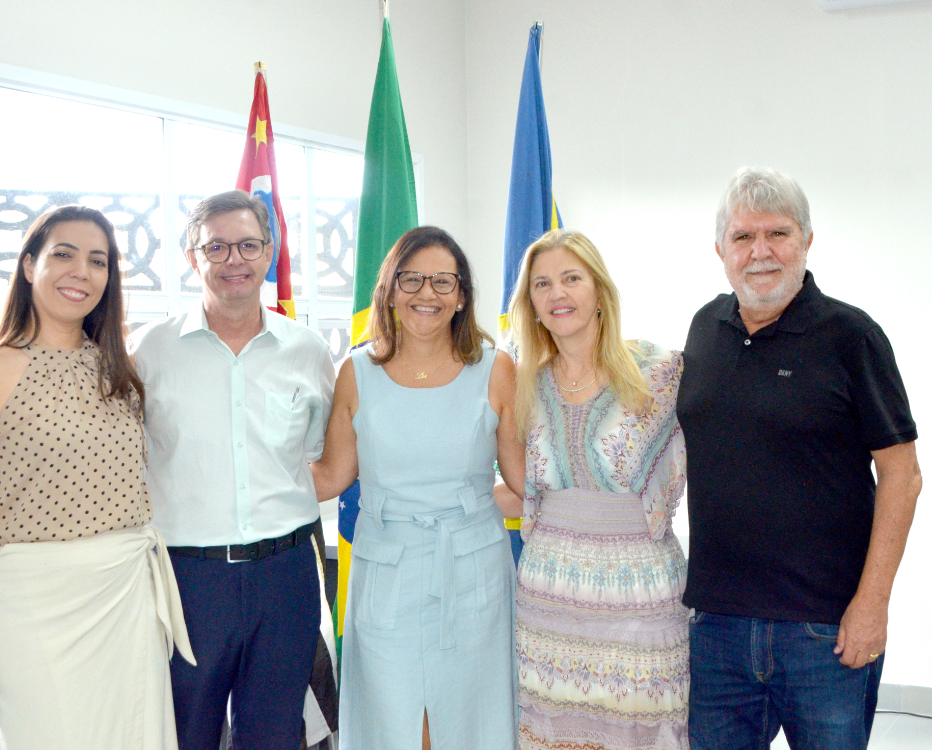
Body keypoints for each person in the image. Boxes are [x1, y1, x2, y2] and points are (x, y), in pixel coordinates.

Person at [0, 205, 194, 750]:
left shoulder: (123, 370)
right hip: (33, 610)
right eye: (64, 255)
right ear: (29, 266)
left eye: (98, 261)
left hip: (126, 601)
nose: (82, 272)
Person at [677, 167, 922, 749]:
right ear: (720, 250)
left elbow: (902, 477)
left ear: (807, 241)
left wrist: (873, 605)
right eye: (742, 237)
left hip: (826, 631)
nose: (760, 252)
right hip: (717, 630)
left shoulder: (851, 336)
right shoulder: (704, 328)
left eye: (778, 234)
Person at [129, 190, 335, 750]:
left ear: (269, 252)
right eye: (215, 247)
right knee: (185, 731)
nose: (233, 259)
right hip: (189, 580)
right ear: (192, 257)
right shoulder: (147, 352)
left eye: (247, 244)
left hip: (285, 574)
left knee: (272, 734)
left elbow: (313, 456)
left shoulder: (309, 350)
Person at [310, 226, 525, 750]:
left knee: (473, 718)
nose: (427, 294)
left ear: (462, 296)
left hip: (472, 564)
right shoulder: (356, 371)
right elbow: (331, 477)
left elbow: (525, 484)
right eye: (412, 279)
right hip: (387, 566)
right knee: (393, 720)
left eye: (442, 282)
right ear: (389, 288)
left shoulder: (495, 368)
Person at [507, 228, 689, 750]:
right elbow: (519, 489)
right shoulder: (522, 383)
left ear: (599, 290)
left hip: (639, 595)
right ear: (531, 303)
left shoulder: (661, 370)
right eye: (542, 284)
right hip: (548, 597)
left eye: (571, 278)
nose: (557, 293)